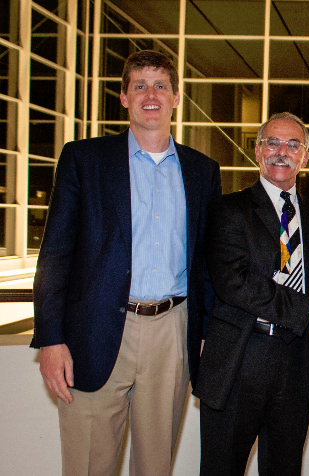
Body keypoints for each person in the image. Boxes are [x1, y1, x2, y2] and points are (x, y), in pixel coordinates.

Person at [31, 50, 221, 475]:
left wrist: (206, 333)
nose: (150, 94)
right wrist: (50, 339)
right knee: (87, 465)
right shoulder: (84, 159)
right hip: (93, 330)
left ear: (175, 97)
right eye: (139, 85)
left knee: (155, 467)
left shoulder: (202, 171)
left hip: (173, 331)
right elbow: (56, 255)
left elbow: (206, 262)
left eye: (160, 86)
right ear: (123, 97)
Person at [194, 112, 309, 475]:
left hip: (296, 364)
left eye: (292, 144)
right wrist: (308, 310)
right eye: (273, 142)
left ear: (305, 156)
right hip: (239, 360)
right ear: (257, 151)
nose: (281, 152)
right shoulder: (227, 210)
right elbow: (234, 283)